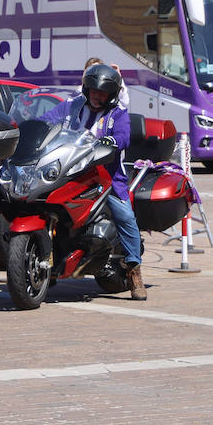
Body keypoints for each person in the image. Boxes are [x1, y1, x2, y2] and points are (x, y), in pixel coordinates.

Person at [41, 63, 146, 300]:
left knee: (125, 216)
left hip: (106, 176)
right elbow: (47, 119)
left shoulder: (117, 112)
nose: (97, 96)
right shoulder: (72, 105)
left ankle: (134, 269)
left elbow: (123, 136)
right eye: (93, 91)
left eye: (102, 93)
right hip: (69, 171)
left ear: (111, 94)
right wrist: (28, 127)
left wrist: (112, 141)